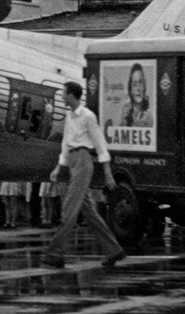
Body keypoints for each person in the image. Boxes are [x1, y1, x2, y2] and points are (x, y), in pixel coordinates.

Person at [42, 81, 126, 269]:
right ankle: (114, 250)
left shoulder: (87, 116)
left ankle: (55, 253)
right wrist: (58, 167)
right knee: (89, 212)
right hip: (73, 161)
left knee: (69, 209)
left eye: (64, 93)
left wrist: (107, 173)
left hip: (83, 160)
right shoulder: (69, 116)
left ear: (71, 95)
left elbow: (100, 144)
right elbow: (66, 143)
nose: (62, 97)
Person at [122, 63, 153, 128]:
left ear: (144, 87)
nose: (138, 88)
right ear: (130, 90)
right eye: (134, 84)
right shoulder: (125, 114)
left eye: (140, 82)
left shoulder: (149, 116)